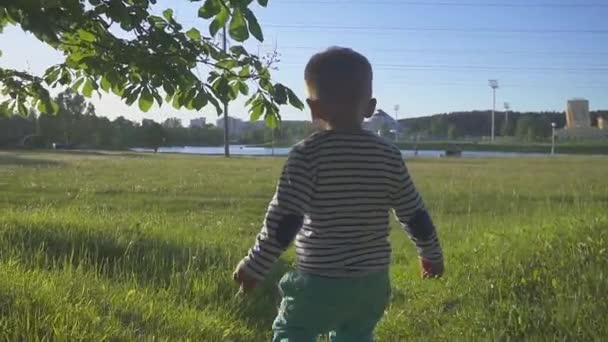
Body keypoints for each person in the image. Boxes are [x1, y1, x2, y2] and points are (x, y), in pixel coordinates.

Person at [233, 47, 444, 342]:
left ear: (313, 108)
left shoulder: (307, 155)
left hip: (320, 281)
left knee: (294, 331)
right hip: (372, 285)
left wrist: (255, 266)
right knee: (356, 334)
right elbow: (414, 214)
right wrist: (431, 255)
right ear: (370, 107)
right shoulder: (388, 155)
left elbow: (285, 221)